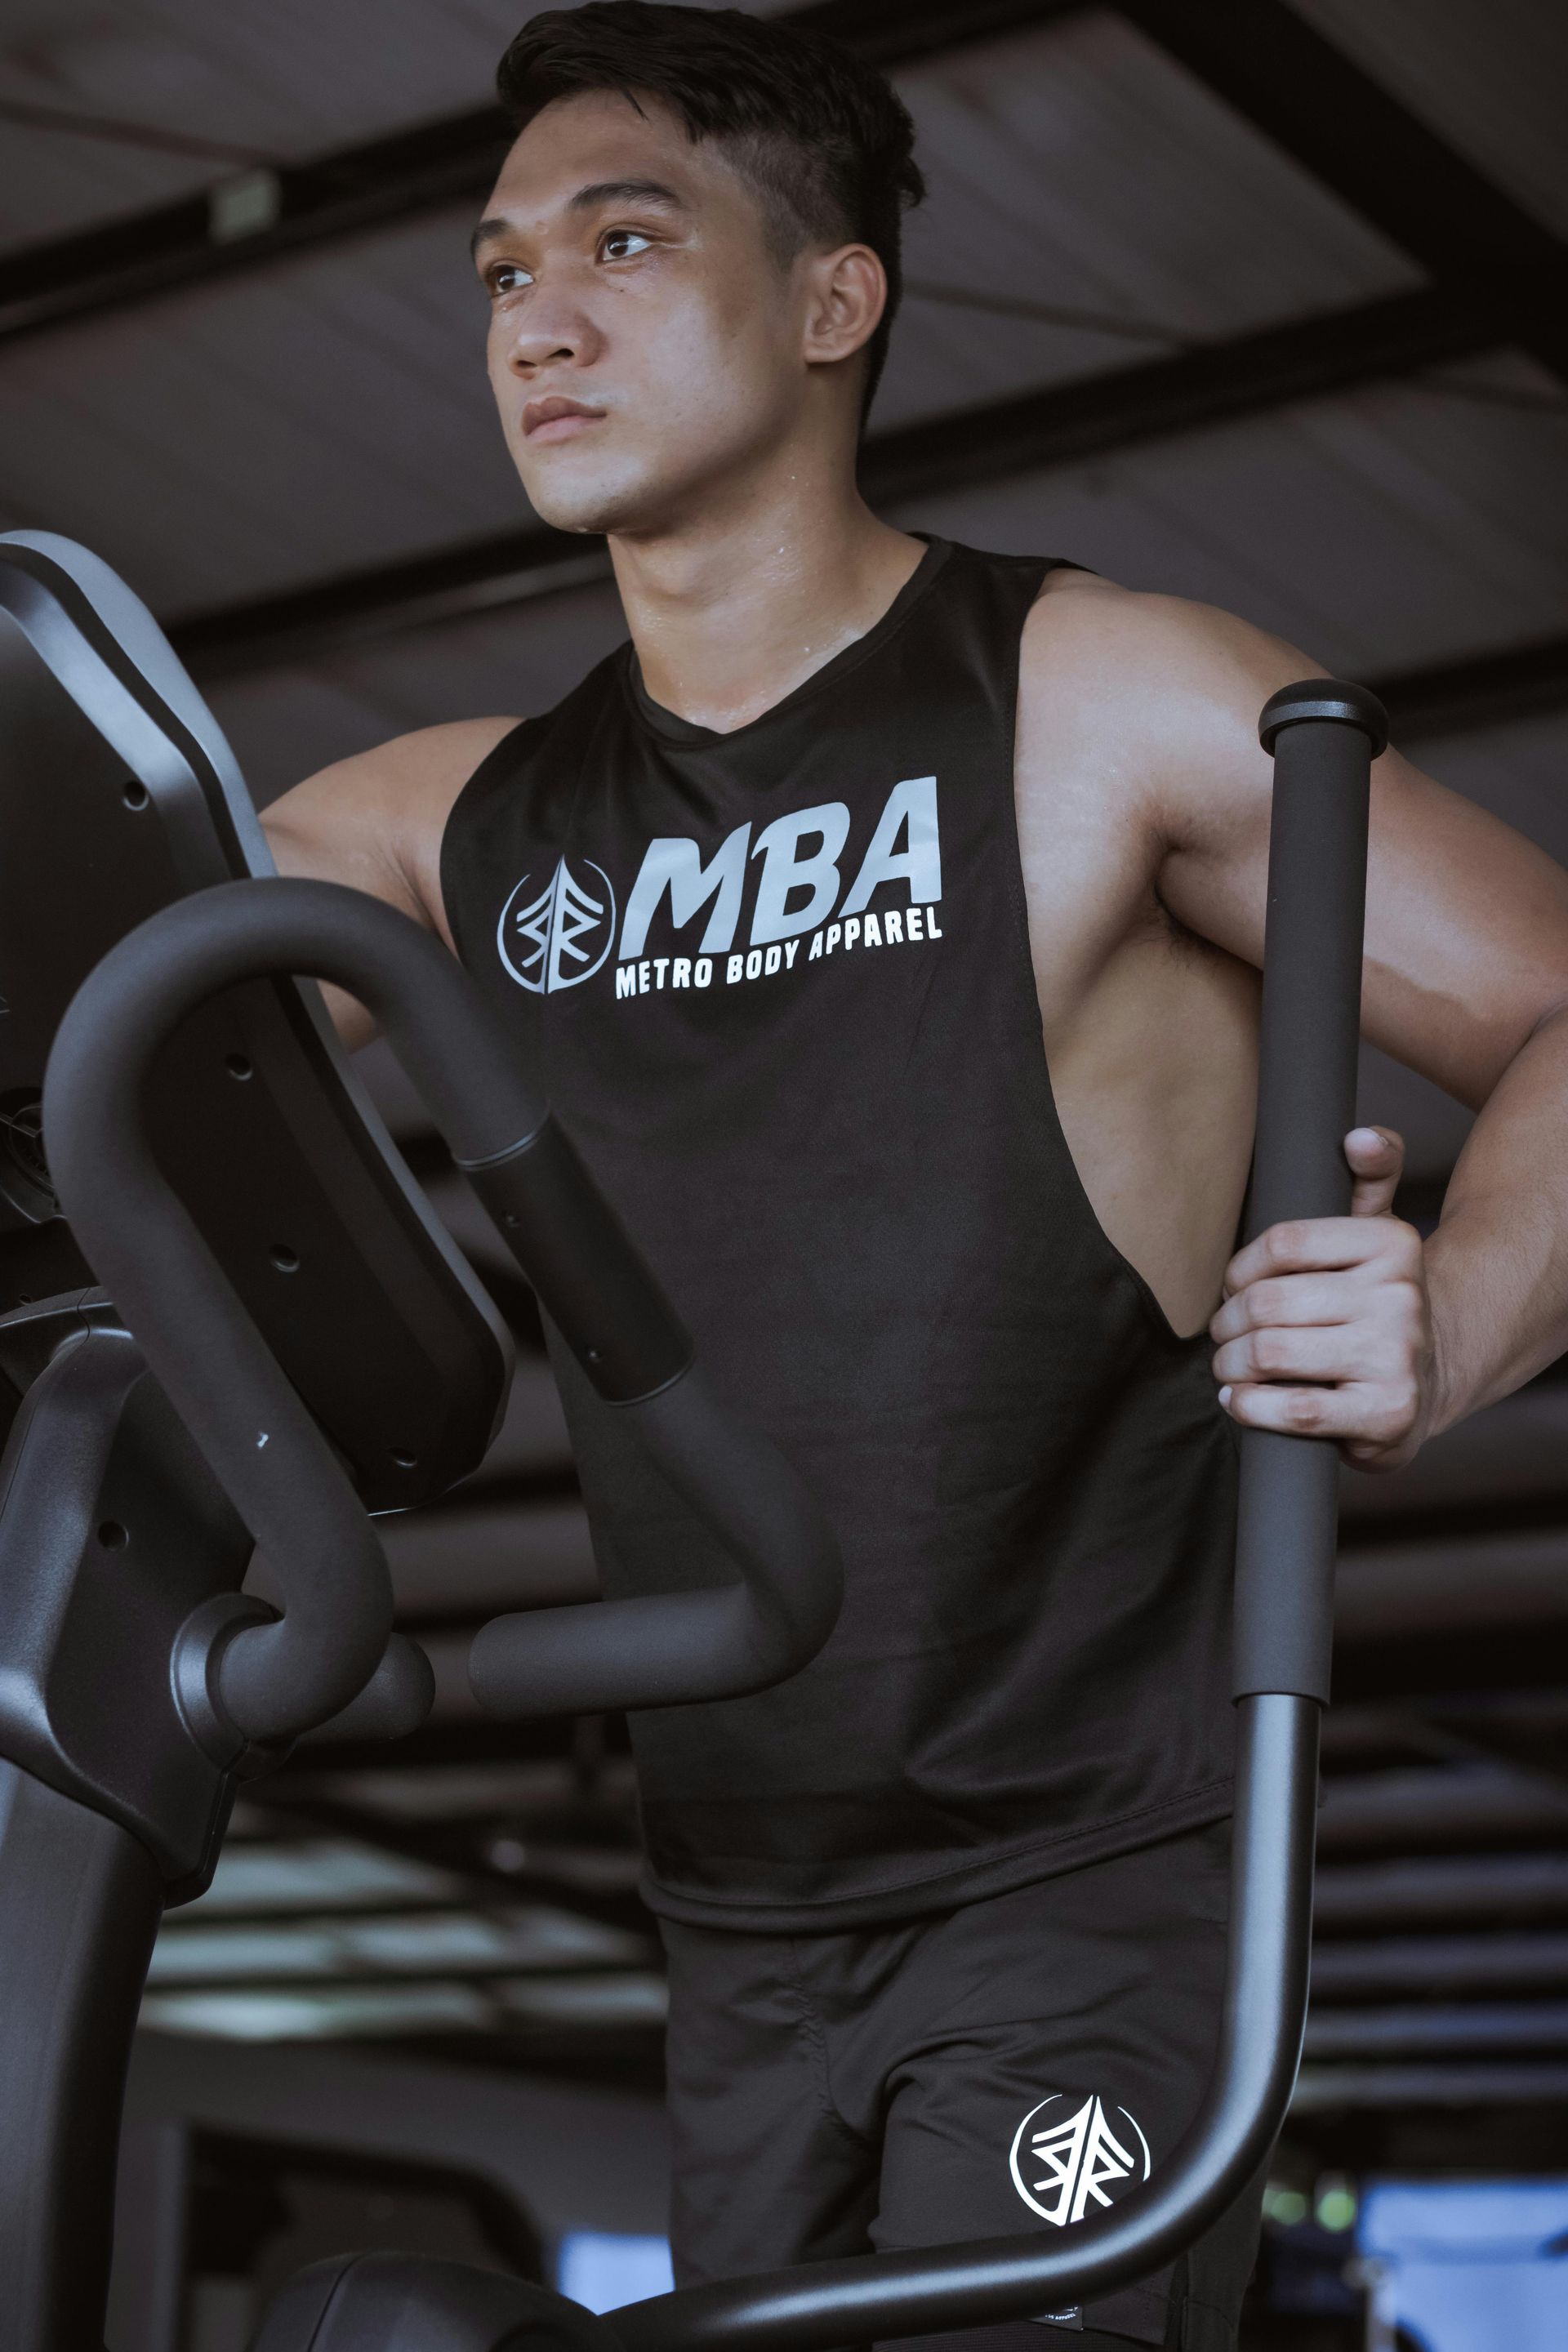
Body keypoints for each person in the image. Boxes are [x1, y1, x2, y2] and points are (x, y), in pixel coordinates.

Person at [261, 7, 1568, 2345]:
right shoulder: (432, 830)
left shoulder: (1105, 706)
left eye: (624, 241)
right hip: (738, 1918)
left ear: (833, 299)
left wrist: (1457, 1313)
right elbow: (94, 1035)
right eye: (495, 274)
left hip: (1081, 1882)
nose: (534, 318)